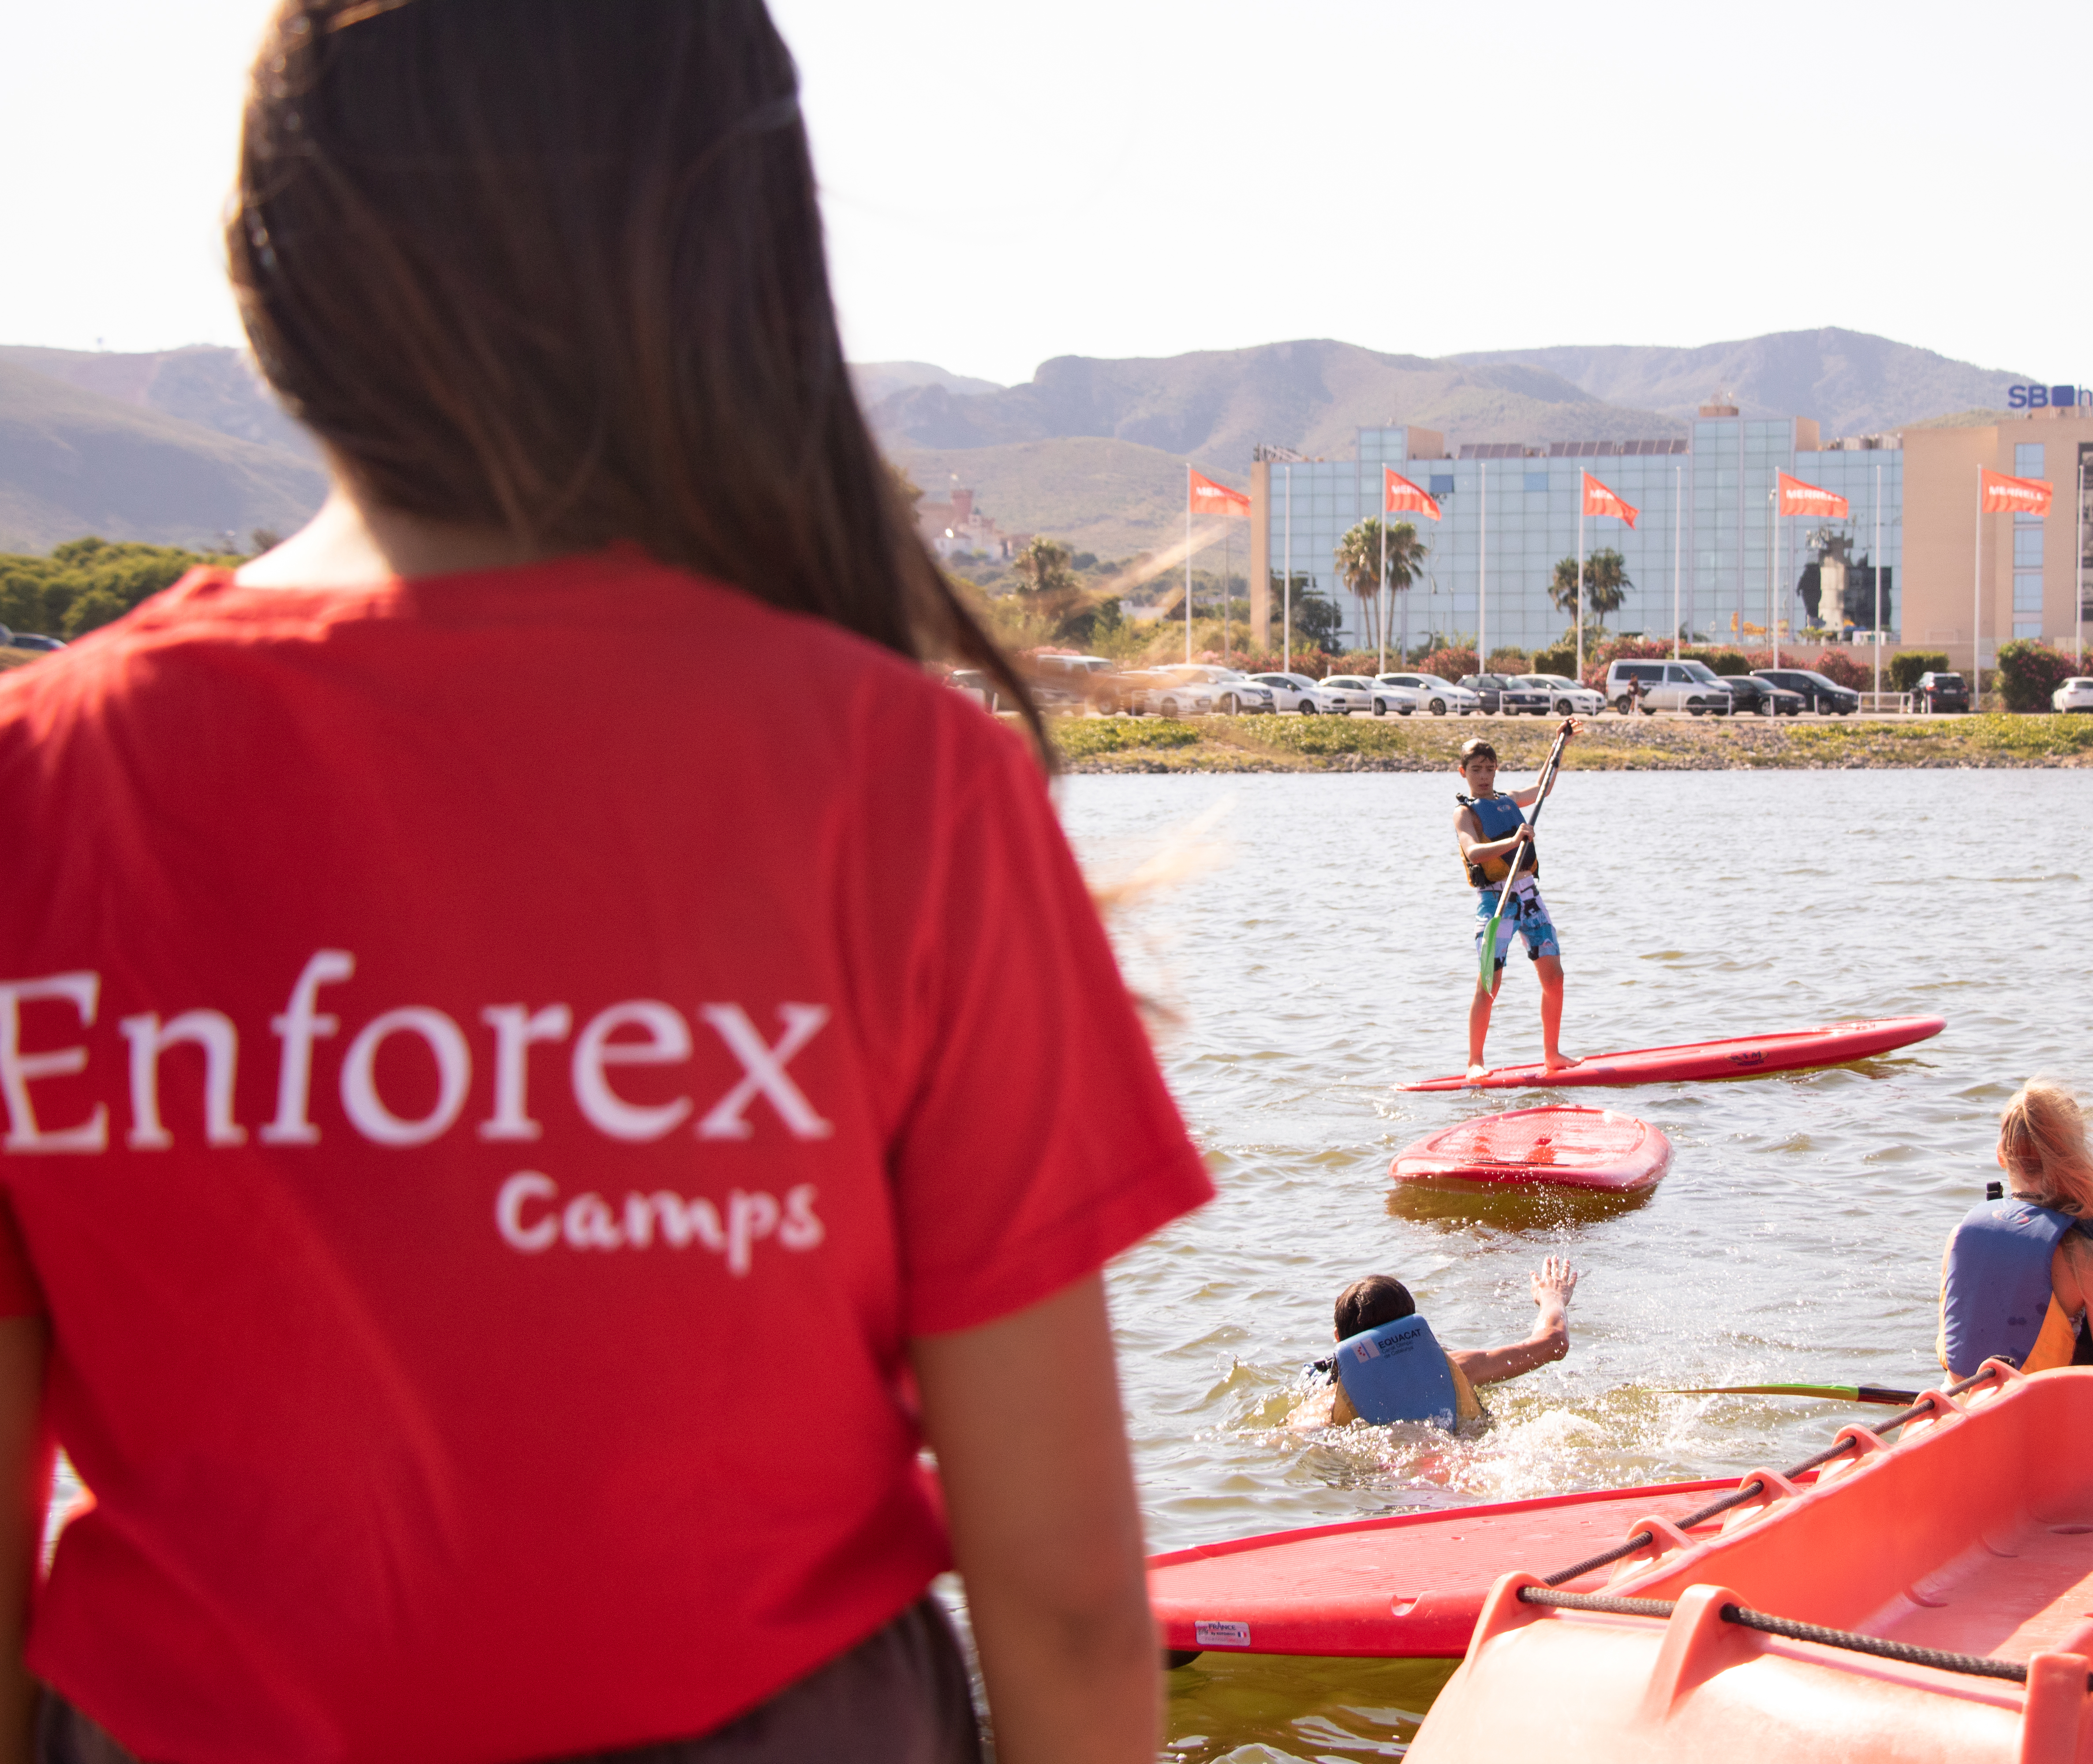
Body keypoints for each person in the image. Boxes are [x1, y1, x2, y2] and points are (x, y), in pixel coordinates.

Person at [0, 6, 1212, 1762]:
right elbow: (1072, 1605)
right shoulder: (900, 779)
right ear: (742, 268)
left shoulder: (34, 788)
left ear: (270, 265)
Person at [1936, 1081, 2093, 1378]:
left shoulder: (1958, 1237)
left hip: (1959, 1398)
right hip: (2037, 1402)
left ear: (2001, 1156)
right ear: (2074, 1158)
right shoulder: (2086, 1261)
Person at [1291, 1259, 1581, 1432]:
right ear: (1414, 1328)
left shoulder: (1328, 1404)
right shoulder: (1458, 1368)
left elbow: (1292, 1439)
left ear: (1338, 1339)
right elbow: (1553, 1342)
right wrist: (1552, 1297)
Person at [1455, 732, 1581, 1078]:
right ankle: (1475, 1062)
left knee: (1555, 978)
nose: (1484, 776)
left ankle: (1552, 1054)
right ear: (1463, 772)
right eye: (1477, 769)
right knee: (1489, 984)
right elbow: (1473, 852)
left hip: (1529, 897)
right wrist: (1514, 840)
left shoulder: (1508, 800)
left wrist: (1559, 746)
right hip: (1496, 902)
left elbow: (1542, 789)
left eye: (1490, 769)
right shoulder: (1465, 813)